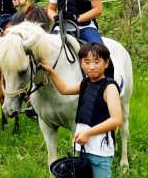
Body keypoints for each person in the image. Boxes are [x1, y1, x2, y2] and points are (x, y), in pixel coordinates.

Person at [39, 42, 122, 178]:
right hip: (82, 149)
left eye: (97, 62)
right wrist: (51, 71)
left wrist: (88, 133)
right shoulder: (85, 83)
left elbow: (116, 120)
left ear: (106, 63)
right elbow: (65, 89)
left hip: (100, 152)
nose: (91, 67)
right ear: (81, 63)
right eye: (87, 62)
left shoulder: (109, 87)